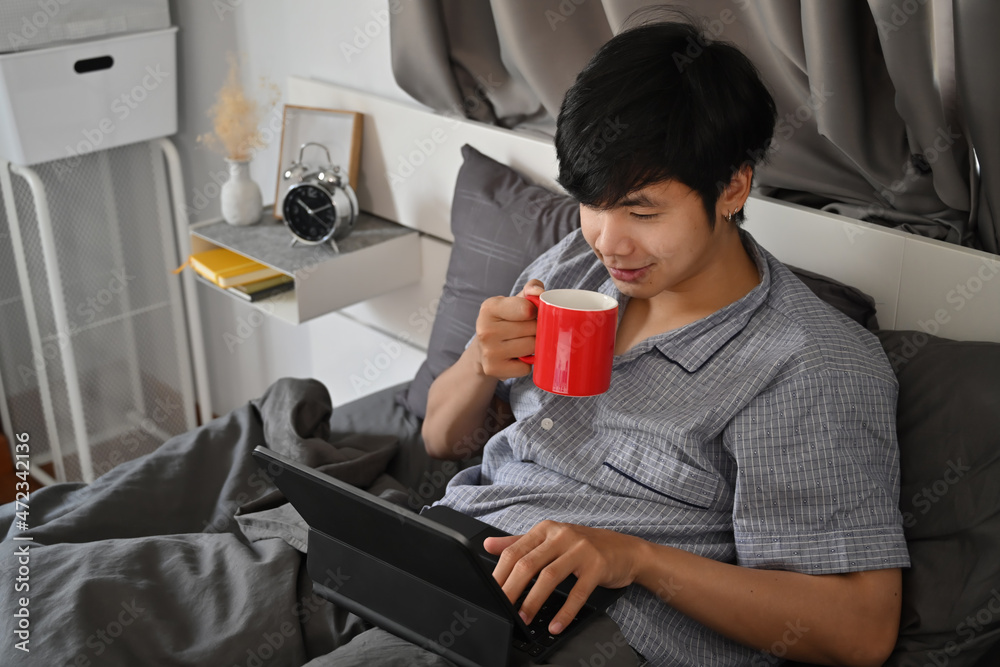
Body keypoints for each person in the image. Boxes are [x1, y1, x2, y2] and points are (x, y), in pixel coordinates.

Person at [327, 17, 910, 667]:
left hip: (590, 626)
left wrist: (634, 556)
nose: (609, 240)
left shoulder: (804, 361)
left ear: (733, 187)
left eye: (641, 211)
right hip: (450, 545)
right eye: (590, 202)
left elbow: (862, 629)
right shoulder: (571, 269)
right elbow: (440, 440)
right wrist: (478, 363)